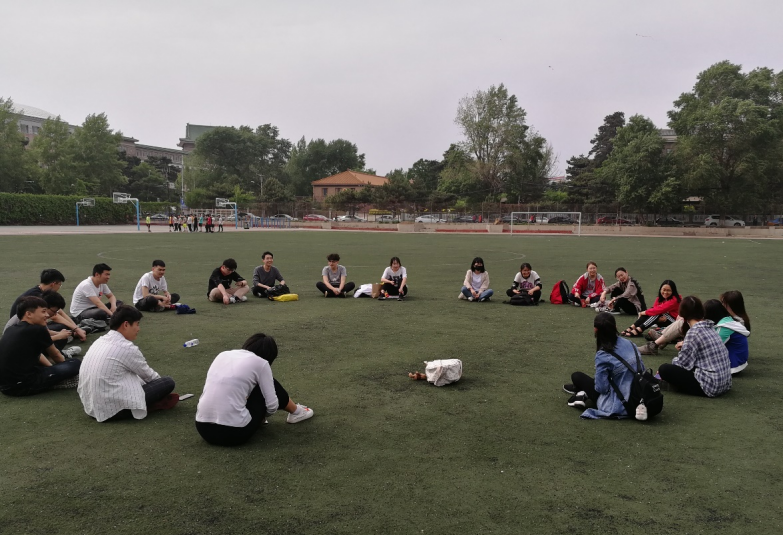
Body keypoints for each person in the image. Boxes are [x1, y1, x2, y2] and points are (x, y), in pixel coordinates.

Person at [195, 333, 314, 446]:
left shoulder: (222, 355)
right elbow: (272, 406)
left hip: (203, 429)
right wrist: (261, 415)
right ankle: (297, 412)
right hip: (234, 434)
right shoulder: (261, 363)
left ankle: (295, 411)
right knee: (271, 384)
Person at [78, 305, 178, 422]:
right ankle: (150, 405)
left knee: (132, 375)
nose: (138, 329)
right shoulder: (126, 347)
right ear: (126, 325)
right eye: (137, 324)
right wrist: (161, 391)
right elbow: (149, 376)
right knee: (167, 382)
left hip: (91, 407)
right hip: (115, 409)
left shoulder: (99, 341)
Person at [562, 312, 645, 419]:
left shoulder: (603, 354)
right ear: (615, 327)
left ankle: (581, 392)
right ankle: (581, 392)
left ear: (595, 330)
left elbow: (601, 388)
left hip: (620, 405)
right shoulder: (630, 344)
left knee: (577, 376)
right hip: (640, 396)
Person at [0, 296, 81, 397]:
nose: (47, 315)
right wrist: (63, 371)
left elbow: (37, 355)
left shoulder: (11, 329)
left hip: (4, 386)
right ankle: (56, 383)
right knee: (75, 363)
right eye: (43, 311)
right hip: (22, 386)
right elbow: (57, 356)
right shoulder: (38, 329)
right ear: (28, 314)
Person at [657, 296, 731, 397]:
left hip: (710, 386)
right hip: (724, 383)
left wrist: (670, 366)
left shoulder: (694, 332)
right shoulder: (710, 326)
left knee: (664, 369)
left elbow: (683, 364)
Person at [639, 289, 750, 356]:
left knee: (683, 323)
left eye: (723, 303)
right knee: (683, 322)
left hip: (722, 355)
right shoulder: (730, 319)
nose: (721, 306)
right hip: (720, 351)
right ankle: (661, 339)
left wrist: (686, 344)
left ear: (730, 306)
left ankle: (659, 341)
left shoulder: (734, 323)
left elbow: (712, 342)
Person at [9, 269, 88, 344]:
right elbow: (55, 316)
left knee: (71, 321)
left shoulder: (41, 292)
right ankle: (70, 335)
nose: (59, 287)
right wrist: (74, 329)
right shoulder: (37, 296)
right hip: (24, 328)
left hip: (31, 325)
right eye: (59, 285)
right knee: (63, 327)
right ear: (53, 284)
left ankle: (72, 333)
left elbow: (58, 312)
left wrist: (76, 328)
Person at [704, 299, 750, 374]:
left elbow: (712, 348)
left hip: (733, 365)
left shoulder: (724, 328)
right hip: (738, 361)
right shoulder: (728, 320)